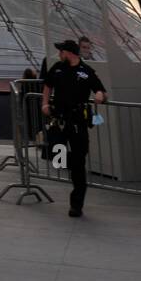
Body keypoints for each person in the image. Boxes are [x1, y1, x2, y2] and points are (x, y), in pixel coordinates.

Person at [42, 38, 106, 217]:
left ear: (68, 52)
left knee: (78, 164)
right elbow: (47, 85)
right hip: (60, 120)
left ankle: (76, 204)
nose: (58, 54)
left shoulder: (86, 71)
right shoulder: (58, 68)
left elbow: (100, 89)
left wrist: (100, 95)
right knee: (56, 156)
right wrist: (45, 104)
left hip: (78, 122)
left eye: (61, 51)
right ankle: (72, 164)